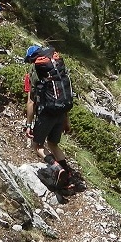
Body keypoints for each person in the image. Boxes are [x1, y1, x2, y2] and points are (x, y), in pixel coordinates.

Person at [23, 44, 76, 191]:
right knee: (53, 144)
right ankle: (69, 180)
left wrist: (29, 125)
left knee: (37, 145)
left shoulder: (34, 73)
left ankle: (57, 168)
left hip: (47, 112)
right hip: (61, 111)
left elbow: (31, 101)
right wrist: (66, 121)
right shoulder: (58, 70)